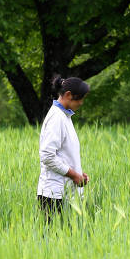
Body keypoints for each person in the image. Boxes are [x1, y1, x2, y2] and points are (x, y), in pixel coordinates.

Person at [37, 75, 90, 220]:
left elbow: (64, 155)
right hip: (53, 196)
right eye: (80, 98)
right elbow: (47, 156)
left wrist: (78, 173)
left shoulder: (64, 117)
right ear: (68, 95)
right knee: (52, 240)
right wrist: (73, 175)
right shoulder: (56, 118)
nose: (81, 102)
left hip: (63, 194)